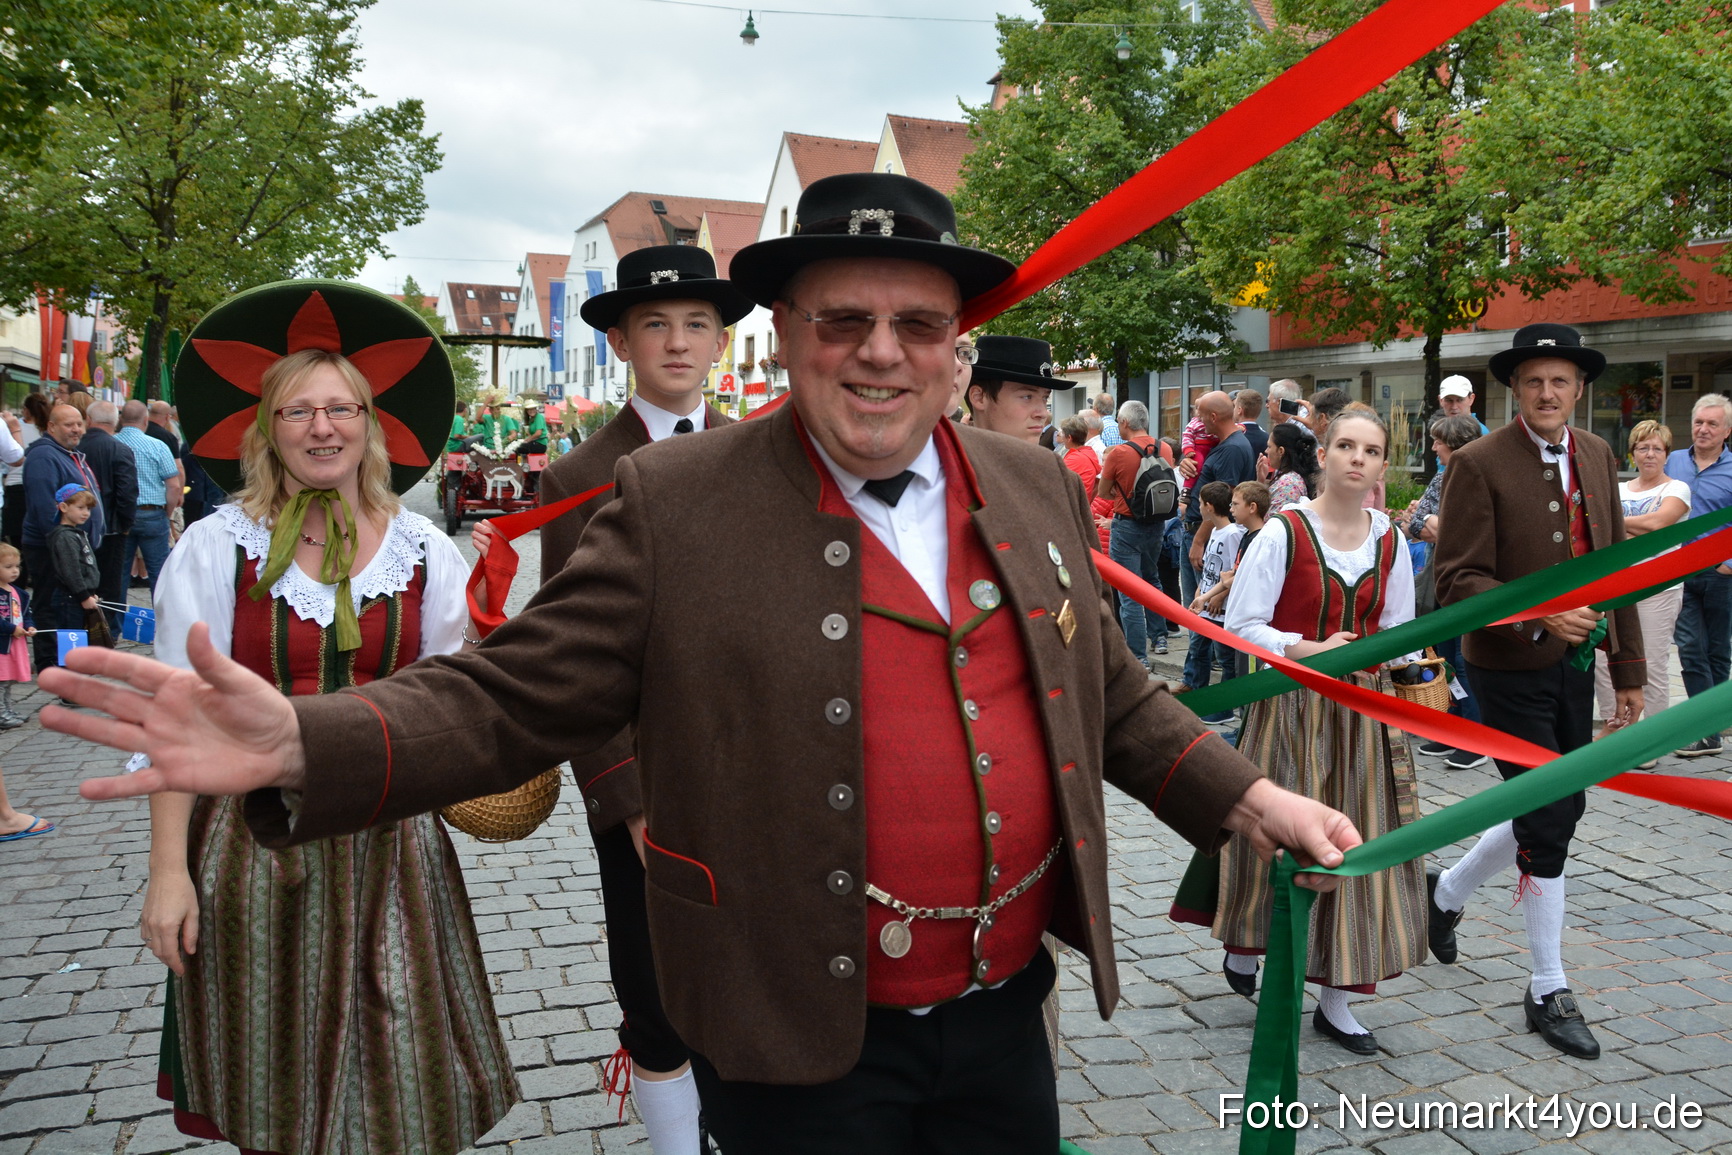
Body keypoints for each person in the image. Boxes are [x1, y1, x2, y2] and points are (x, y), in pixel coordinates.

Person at [49, 173, 1362, 1155]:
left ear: (959, 343)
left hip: (1003, 1005)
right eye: (843, 319)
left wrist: (1248, 800)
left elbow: (1113, 695)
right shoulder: (672, 497)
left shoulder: (1030, 481)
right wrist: (305, 741)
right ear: (783, 332)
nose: (882, 352)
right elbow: (514, 691)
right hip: (796, 1027)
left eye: (918, 322)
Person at [136, 284, 519, 1153]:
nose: (321, 427)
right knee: (271, 1076)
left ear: (369, 423)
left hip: (394, 844)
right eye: (297, 410)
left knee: (405, 1086)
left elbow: (457, 701)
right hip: (250, 846)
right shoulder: (215, 546)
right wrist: (168, 873)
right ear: (265, 429)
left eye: (340, 407)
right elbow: (173, 714)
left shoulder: (426, 554)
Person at [533, 243, 749, 1155]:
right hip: (650, 777)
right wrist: (625, 796)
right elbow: (573, 660)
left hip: (761, 763)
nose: (678, 341)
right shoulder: (579, 476)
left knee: (761, 972)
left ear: (720, 342)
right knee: (656, 984)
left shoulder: (766, 453)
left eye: (697, 323)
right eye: (656, 323)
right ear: (619, 341)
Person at [1430, 323, 1643, 1060]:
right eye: (1534, 381)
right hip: (1506, 665)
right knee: (1552, 813)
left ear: (1579, 388)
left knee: (1548, 803)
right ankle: (1547, 983)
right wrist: (1537, 610)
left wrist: (1630, 669)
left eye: (1560, 380)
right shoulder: (1479, 463)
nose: (1548, 393)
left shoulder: (1598, 453)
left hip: (1576, 667)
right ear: (1514, 390)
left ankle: (1445, 893)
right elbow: (1454, 579)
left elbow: (1618, 568)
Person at [1202, 409, 1426, 1054]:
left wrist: (1419, 675)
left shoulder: (1389, 539)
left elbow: (1400, 627)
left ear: (1384, 466)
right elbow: (1242, 624)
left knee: (1354, 842)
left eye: (1372, 450)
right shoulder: (1284, 532)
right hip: (1293, 707)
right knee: (1276, 834)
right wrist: (1310, 648)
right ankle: (1247, 946)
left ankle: (1337, 998)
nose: (1358, 459)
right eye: (1346, 446)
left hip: (1364, 717)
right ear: (1323, 456)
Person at [1594, 419, 1689, 759]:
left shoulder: (1676, 489)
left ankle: (1650, 743)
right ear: (1632, 453)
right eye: (1643, 448)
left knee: (1651, 663)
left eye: (1657, 449)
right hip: (1617, 585)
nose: (1650, 454)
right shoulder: (1619, 489)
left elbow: (1656, 524)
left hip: (1658, 588)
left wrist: (1613, 522)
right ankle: (1617, 733)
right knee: (1607, 661)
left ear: (1667, 454)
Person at [1401, 415, 1487, 772]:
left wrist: (1439, 526)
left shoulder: (1481, 474)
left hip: (1470, 584)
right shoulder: (1441, 477)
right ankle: (1452, 729)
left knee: (1468, 662)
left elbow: (1474, 531)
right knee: (1445, 659)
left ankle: (1477, 737)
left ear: (1455, 443)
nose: (1433, 448)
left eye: (1439, 442)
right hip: (1441, 582)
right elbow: (1417, 522)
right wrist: (1431, 525)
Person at [1665, 393, 1732, 756]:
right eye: (1698, 422)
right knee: (1691, 647)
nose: (1703, 429)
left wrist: (1729, 565)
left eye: (1712, 424)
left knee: (1718, 650)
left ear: (1727, 431)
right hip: (1679, 570)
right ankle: (1704, 728)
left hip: (1722, 572)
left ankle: (1711, 726)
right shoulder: (1673, 461)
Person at [22, 405, 102, 672]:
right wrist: (63, 542)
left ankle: (66, 660)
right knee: (51, 604)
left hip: (70, 542)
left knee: (67, 606)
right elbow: (44, 506)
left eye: (79, 423)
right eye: (69, 425)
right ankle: (49, 662)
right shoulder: (44, 456)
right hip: (51, 547)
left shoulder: (70, 453)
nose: (76, 429)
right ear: (51, 427)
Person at [1098, 400, 1174, 664]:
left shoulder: (1119, 453)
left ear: (1125, 423)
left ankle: (1137, 657)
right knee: (1152, 580)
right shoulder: (1164, 447)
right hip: (1157, 523)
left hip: (1127, 525)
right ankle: (1160, 638)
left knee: (1129, 593)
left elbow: (1103, 492)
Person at [79, 400, 138, 632]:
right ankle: (108, 633)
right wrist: (125, 524)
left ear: (89, 420)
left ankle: (80, 628)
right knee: (110, 584)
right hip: (111, 528)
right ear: (116, 422)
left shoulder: (75, 447)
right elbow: (127, 492)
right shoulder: (120, 449)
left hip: (77, 526)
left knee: (80, 581)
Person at [1183, 481, 1242, 701]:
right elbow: (1209, 567)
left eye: (1199, 503)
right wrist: (1199, 592)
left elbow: (1234, 569)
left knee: (1225, 656)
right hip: (1205, 604)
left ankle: (1225, 700)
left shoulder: (1232, 533)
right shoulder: (1216, 531)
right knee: (1197, 649)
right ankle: (1197, 691)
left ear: (1209, 506)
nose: (1197, 507)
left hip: (1219, 608)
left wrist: (1219, 596)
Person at [114, 401, 180, 597]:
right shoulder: (158, 446)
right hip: (152, 513)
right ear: (145, 421)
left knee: (120, 573)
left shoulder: (112, 443)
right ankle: (162, 623)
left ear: (120, 419)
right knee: (159, 573)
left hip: (120, 514)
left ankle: (115, 623)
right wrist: (166, 513)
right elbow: (174, 486)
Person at [964, 336, 1057, 444]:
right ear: (979, 397)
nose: (1043, 414)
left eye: (1045, 398)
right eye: (1027, 397)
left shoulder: (1048, 461)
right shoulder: (946, 459)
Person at [46, 485, 103, 645]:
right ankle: (68, 670)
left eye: (88, 509)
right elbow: (70, 571)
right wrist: (83, 595)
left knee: (80, 641)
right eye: (80, 508)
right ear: (63, 507)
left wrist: (90, 592)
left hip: (79, 596)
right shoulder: (65, 537)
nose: (86, 513)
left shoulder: (76, 533)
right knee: (71, 644)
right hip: (70, 598)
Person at [1058, 416, 1110, 553]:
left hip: (1071, 512)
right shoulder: (1085, 454)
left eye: (1062, 434)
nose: (1060, 437)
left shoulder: (1076, 458)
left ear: (1069, 438)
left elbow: (1056, 483)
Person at [0, 542, 34, 728]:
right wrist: (11, 629)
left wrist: (29, 626)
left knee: (8, 680)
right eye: (8, 567)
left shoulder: (18, 592)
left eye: (17, 566)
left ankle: (7, 709)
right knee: (1, 680)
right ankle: (2, 715)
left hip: (15, 643)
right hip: (3, 644)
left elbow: (26, 614)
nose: (15, 571)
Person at [1265, 421, 1318, 513]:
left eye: (1269, 447)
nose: (1266, 451)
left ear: (1281, 451)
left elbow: (1272, 523)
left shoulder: (1287, 485)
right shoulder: (1291, 477)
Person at [1233, 389, 1268, 460]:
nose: (1233, 409)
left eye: (1234, 406)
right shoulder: (1267, 438)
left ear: (1239, 410)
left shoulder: (1232, 436)